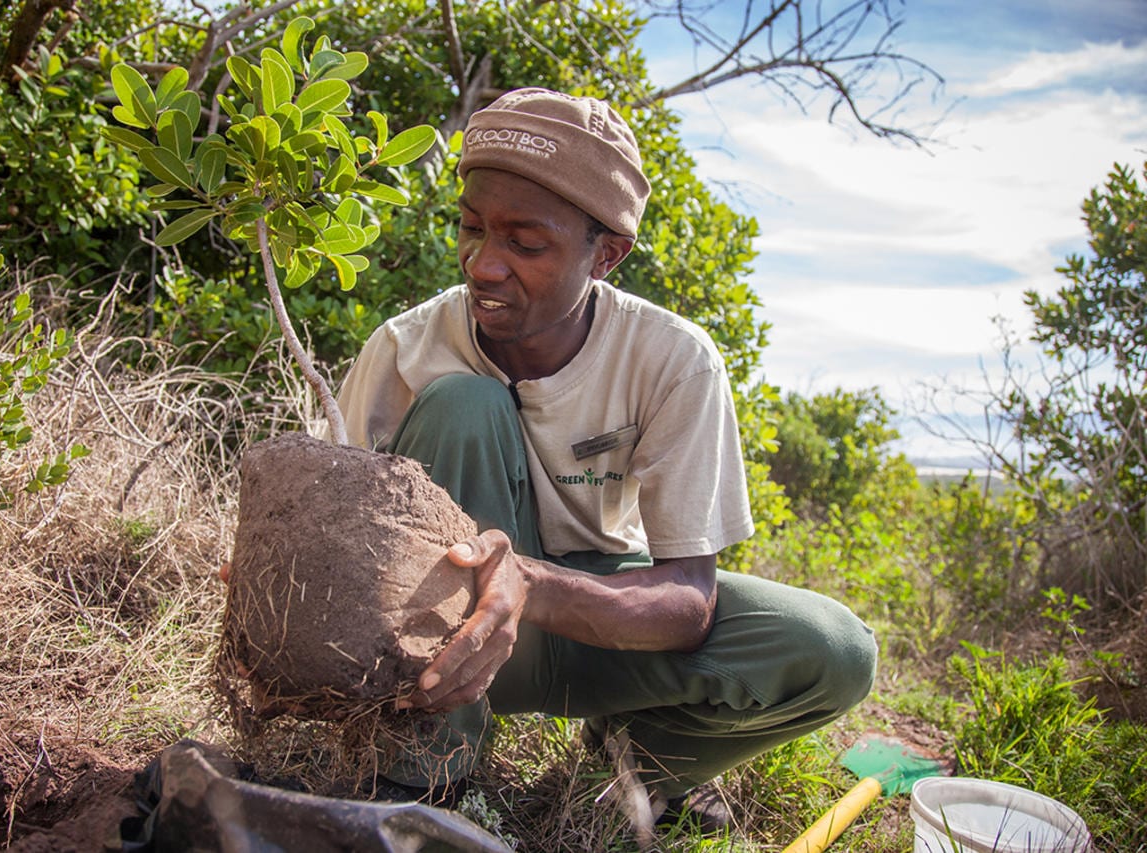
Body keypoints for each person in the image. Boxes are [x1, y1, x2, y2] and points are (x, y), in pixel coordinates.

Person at [335, 87, 877, 831]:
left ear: (607, 254)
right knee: (465, 404)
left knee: (835, 651)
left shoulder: (673, 361)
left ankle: (627, 765)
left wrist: (531, 584)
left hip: (596, 630)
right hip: (446, 640)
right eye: (470, 227)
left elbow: (688, 601)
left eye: (525, 244)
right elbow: (339, 540)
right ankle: (425, 774)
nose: (484, 265)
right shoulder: (406, 351)